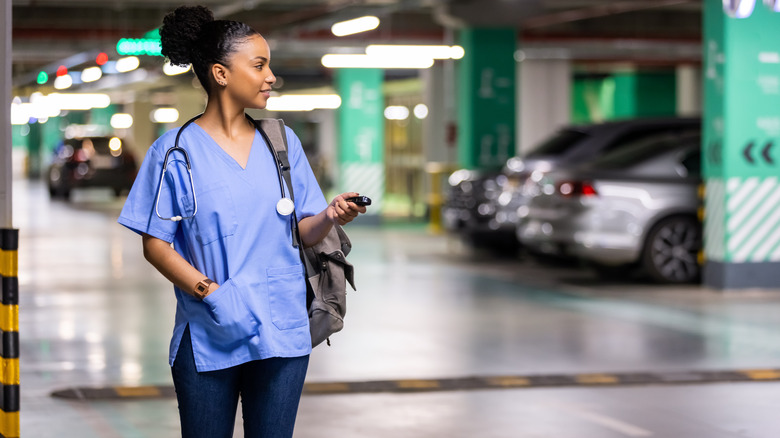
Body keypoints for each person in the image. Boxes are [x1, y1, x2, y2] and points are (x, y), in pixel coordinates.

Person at [117, 5, 367, 438]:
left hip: (282, 331)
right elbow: (155, 243)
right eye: (259, 65)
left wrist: (328, 216)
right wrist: (208, 293)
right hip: (210, 330)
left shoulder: (281, 143)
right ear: (220, 74)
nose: (271, 76)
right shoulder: (174, 151)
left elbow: (302, 231)